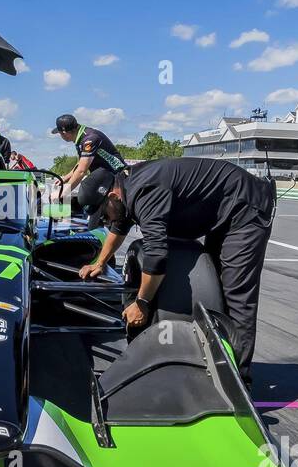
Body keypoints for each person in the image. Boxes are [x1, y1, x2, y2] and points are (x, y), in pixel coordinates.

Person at [76, 159, 275, 384]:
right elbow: (119, 225)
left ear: (113, 196)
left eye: (103, 214)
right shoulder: (124, 189)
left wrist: (142, 302)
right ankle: (218, 360)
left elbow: (157, 255)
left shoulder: (145, 191)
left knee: (236, 295)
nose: (105, 220)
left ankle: (238, 382)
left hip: (246, 209)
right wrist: (100, 262)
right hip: (223, 207)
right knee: (215, 288)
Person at [52, 113, 126, 194]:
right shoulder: (81, 137)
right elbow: (80, 164)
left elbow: (81, 171)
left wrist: (63, 192)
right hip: (106, 174)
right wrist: (64, 179)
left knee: (85, 195)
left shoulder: (89, 139)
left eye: (60, 134)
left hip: (117, 175)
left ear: (64, 133)